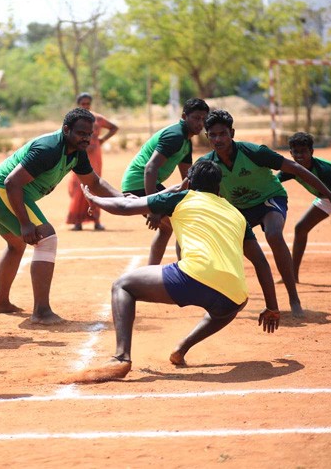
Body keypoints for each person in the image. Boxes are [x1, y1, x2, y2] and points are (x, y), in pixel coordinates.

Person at [76, 160, 281, 382]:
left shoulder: (181, 197)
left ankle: (121, 357)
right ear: (219, 187)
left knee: (122, 285)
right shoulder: (236, 214)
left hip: (192, 277)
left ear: (189, 182)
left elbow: (125, 207)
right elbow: (261, 262)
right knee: (232, 303)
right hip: (234, 294)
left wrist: (94, 199)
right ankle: (181, 349)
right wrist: (272, 307)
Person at [196, 110, 331, 318]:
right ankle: (227, 300)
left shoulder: (254, 152)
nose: (218, 139)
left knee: (274, 235)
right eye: (212, 135)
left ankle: (294, 298)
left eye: (222, 134)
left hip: (270, 199)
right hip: (239, 210)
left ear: (232, 132)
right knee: (231, 249)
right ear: (207, 137)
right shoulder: (206, 163)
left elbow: (295, 167)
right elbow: (188, 187)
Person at [0, 107, 124, 324]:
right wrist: (25, 223)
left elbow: (94, 182)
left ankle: (1, 303)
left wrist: (125, 199)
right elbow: (12, 182)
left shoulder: (77, 151)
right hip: (2, 190)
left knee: (15, 246)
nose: (87, 138)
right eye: (81, 133)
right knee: (46, 237)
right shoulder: (49, 149)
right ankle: (41, 312)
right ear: (66, 130)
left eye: (90, 134)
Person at [121, 98, 209, 264]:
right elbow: (150, 168)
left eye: (204, 119)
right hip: (139, 183)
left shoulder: (186, 141)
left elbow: (188, 177)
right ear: (184, 116)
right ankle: (185, 272)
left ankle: (152, 269)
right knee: (181, 223)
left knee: (167, 227)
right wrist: (153, 207)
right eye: (196, 118)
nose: (200, 123)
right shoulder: (175, 136)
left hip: (146, 183)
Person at [277, 132, 331, 290]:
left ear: (312, 152)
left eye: (304, 151)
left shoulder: (323, 170)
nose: (300, 156)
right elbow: (273, 181)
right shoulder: (291, 168)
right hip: (326, 195)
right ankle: (293, 275)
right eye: (296, 152)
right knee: (301, 228)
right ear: (290, 153)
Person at [66, 92, 119, 231]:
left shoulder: (97, 119)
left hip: (94, 157)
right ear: (78, 104)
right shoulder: (74, 119)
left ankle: (96, 221)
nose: (85, 106)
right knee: (77, 188)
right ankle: (77, 222)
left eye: (87, 103)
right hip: (79, 155)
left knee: (94, 186)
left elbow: (114, 127)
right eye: (83, 104)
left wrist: (101, 140)